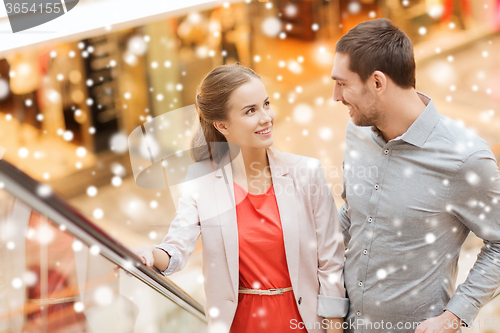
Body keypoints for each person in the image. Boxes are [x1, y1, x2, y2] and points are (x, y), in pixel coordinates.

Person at [133, 65, 348, 333]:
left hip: (301, 322)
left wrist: (335, 329)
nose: (266, 117)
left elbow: (331, 264)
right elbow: (176, 249)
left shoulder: (307, 173)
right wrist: (150, 254)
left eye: (266, 104)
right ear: (222, 125)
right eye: (250, 110)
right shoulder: (200, 181)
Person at [331, 18, 500, 333]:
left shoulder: (466, 158)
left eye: (342, 83)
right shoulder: (357, 134)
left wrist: (454, 317)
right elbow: (352, 213)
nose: (335, 96)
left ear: (378, 83)